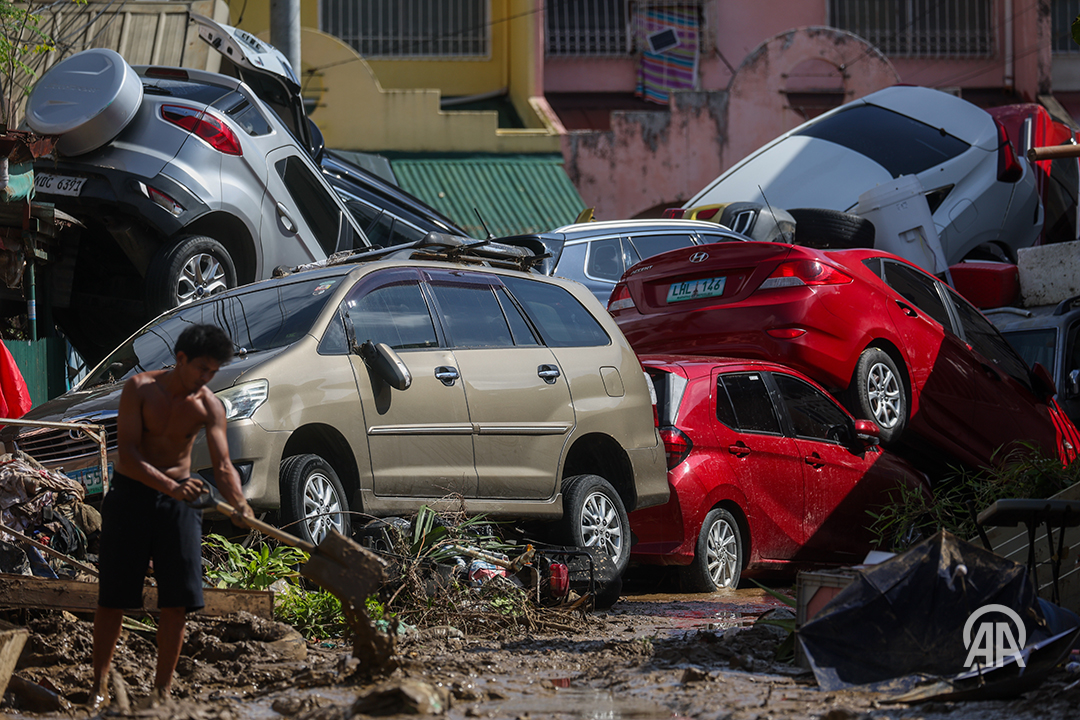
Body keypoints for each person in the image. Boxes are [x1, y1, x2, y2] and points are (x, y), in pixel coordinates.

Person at [90, 324, 253, 708]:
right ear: (180, 359)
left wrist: (240, 503)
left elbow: (223, 463)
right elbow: (127, 454)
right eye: (201, 369)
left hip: (179, 503)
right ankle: (98, 686)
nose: (205, 379)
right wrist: (171, 486)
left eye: (212, 373)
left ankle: (161, 692)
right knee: (113, 597)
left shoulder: (208, 405)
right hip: (131, 496)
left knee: (177, 600)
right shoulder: (140, 390)